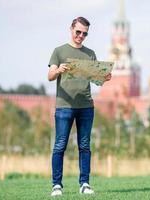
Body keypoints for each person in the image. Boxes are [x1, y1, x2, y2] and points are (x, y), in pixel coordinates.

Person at [47, 16, 111, 196]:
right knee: (60, 145)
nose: (81, 36)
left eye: (85, 34)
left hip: (86, 106)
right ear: (71, 29)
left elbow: (96, 79)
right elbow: (50, 75)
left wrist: (104, 77)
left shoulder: (90, 53)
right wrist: (58, 70)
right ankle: (56, 185)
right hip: (64, 106)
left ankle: (84, 184)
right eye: (78, 32)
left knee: (85, 146)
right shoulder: (58, 51)